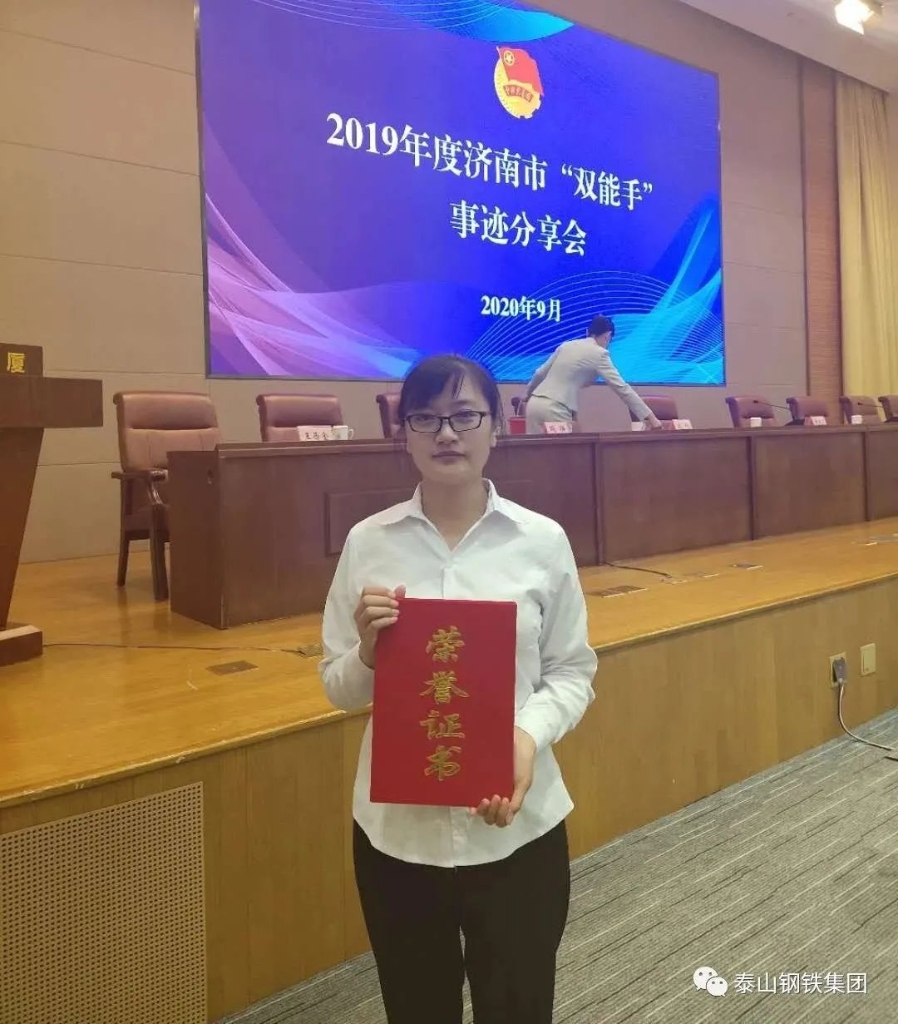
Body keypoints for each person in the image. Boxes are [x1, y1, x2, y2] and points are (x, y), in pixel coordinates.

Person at [319, 355, 597, 1024]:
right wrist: (368, 652)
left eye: (465, 415)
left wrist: (525, 737)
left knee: (519, 1007)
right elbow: (338, 687)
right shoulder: (367, 542)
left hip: (518, 834)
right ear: (405, 435)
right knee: (417, 1009)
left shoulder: (541, 541)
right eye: (426, 418)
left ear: (497, 426)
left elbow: (572, 671)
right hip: (398, 841)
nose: (446, 433)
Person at [524, 314, 663, 433]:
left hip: (534, 404)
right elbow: (622, 388)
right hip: (555, 409)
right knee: (566, 455)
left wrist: (527, 395)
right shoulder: (599, 353)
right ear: (607, 336)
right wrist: (652, 418)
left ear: (588, 332)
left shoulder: (566, 346)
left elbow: (539, 373)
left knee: (535, 454)